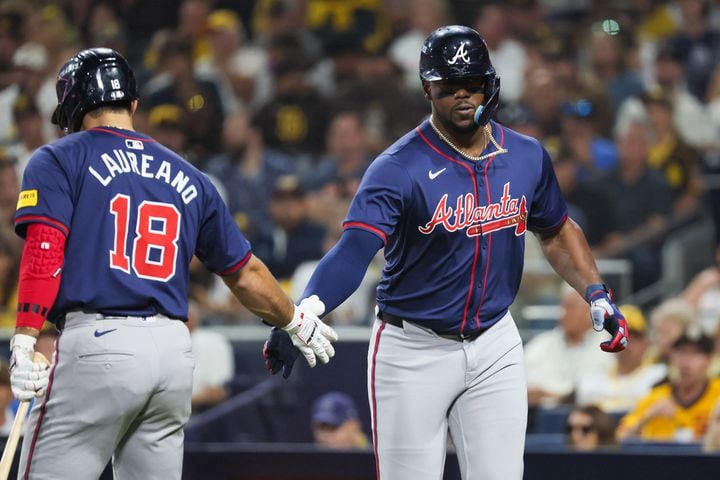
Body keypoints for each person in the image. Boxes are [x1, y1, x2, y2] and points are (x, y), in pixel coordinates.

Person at [263, 26, 628, 480]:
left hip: (495, 341)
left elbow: (556, 230)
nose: (461, 96)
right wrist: (306, 309)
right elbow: (355, 249)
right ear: (426, 89)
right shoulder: (396, 167)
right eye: (447, 86)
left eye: (471, 84)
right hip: (412, 347)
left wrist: (596, 292)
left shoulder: (526, 155)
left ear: (489, 84)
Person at [8, 48, 339, 480]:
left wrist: (24, 338)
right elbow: (245, 272)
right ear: (133, 105)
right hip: (171, 353)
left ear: (70, 108)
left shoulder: (58, 158)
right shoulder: (191, 176)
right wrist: (294, 320)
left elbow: (44, 250)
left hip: (97, 346)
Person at [616, 330, 720, 443]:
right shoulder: (657, 395)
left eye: (695, 354)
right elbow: (620, 438)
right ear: (672, 357)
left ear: (709, 360)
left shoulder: (717, 394)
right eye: (681, 352)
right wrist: (646, 418)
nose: (686, 361)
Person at [525, 286, 616, 407]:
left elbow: (595, 391)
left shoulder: (608, 343)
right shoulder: (542, 343)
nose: (563, 313)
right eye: (563, 306)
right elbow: (526, 387)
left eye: (571, 307)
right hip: (540, 416)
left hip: (587, 418)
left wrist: (554, 395)